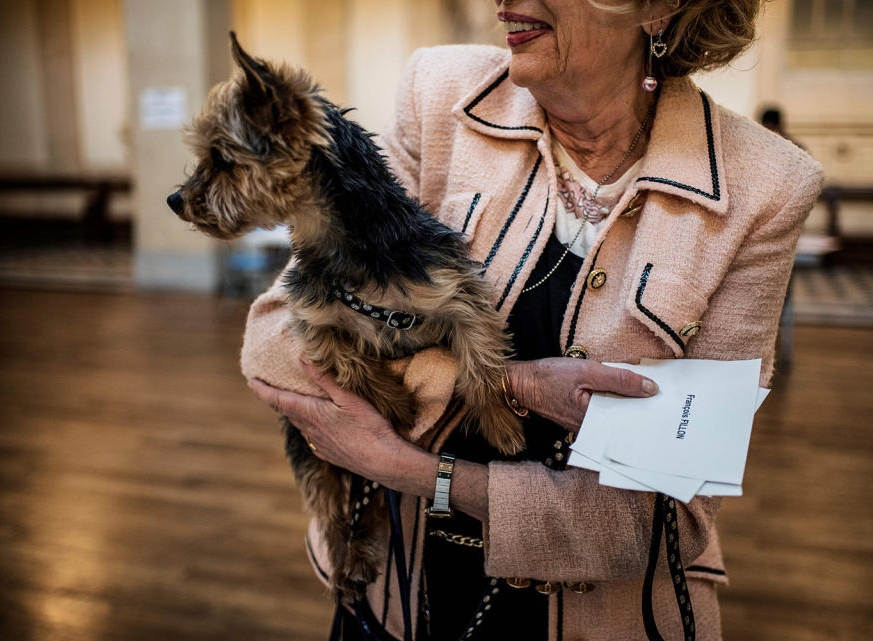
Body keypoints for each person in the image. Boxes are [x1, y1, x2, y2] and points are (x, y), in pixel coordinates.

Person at [243, 1, 824, 639]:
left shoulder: (766, 185)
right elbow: (274, 338)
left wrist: (415, 471)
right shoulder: (440, 97)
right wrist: (507, 382)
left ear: (656, 7)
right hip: (396, 595)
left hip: (603, 616)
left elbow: (662, 515)